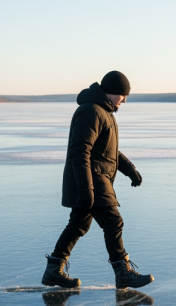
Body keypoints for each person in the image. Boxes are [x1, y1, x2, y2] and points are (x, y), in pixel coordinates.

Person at [42, 71, 153, 289]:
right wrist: (86, 189)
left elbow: (109, 151)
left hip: (94, 178)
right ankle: (123, 272)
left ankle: (54, 270)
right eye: (122, 95)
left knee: (79, 225)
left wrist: (130, 169)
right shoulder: (91, 111)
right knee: (113, 222)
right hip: (92, 179)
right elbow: (80, 152)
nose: (124, 100)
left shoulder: (104, 112)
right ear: (111, 91)